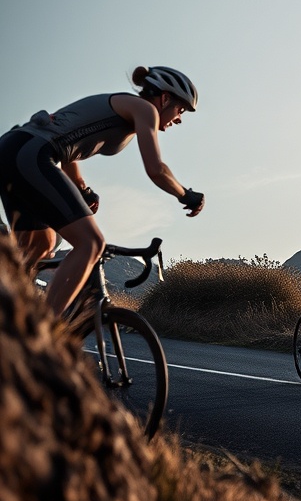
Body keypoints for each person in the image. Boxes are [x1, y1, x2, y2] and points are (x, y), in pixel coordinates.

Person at [0, 66, 205, 315]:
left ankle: (11, 325)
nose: (180, 118)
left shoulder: (126, 109)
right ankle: (43, 334)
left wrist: (84, 191)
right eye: (180, 109)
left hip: (17, 150)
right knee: (91, 243)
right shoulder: (145, 109)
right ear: (164, 98)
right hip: (30, 153)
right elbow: (156, 169)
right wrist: (186, 195)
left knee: (38, 251)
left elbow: (68, 155)